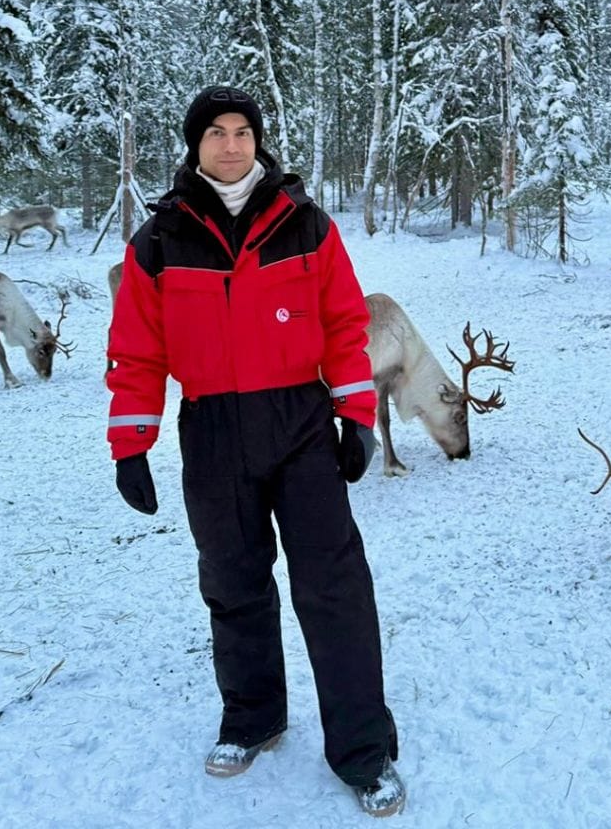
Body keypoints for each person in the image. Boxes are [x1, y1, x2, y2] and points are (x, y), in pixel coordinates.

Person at [106, 85, 405, 818]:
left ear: (259, 141)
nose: (232, 145)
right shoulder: (159, 240)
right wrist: (130, 441)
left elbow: (343, 324)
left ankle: (363, 749)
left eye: (243, 131)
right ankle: (253, 716)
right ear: (195, 145)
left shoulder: (306, 226)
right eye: (216, 132)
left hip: (300, 422)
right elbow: (137, 349)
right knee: (233, 582)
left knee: (333, 587)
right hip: (211, 429)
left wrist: (356, 415)